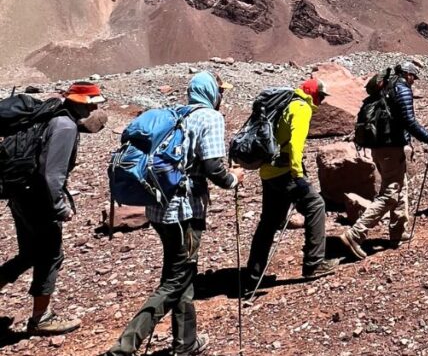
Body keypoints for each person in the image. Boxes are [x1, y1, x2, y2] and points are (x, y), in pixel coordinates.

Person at [106, 72, 244, 356]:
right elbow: (214, 168)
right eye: (220, 90)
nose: (222, 96)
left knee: (183, 275)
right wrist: (234, 180)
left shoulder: (178, 114)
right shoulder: (210, 118)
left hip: (157, 208)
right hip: (184, 211)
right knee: (173, 282)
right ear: (210, 92)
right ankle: (124, 347)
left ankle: (186, 343)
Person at [0, 82, 108, 336]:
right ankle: (41, 317)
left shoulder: (49, 114)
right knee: (50, 255)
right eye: (93, 103)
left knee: (28, 254)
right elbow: (52, 174)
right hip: (38, 200)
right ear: (83, 104)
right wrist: (60, 207)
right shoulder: (65, 126)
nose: (95, 108)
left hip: (20, 192)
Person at [244, 78, 337, 293]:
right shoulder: (301, 108)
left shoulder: (283, 103)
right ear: (312, 93)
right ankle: (314, 263)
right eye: (321, 96)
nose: (321, 102)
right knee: (316, 205)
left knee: (268, 223)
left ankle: (253, 275)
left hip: (268, 171)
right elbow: (296, 145)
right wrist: (299, 176)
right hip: (285, 172)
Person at [339, 61, 428, 259]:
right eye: (413, 77)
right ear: (408, 74)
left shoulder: (385, 87)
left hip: (378, 146)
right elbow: (408, 121)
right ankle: (355, 234)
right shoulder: (401, 89)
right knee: (390, 192)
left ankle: (398, 233)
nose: (413, 81)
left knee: (401, 187)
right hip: (390, 147)